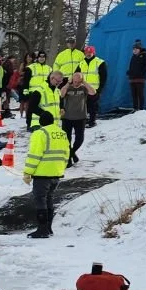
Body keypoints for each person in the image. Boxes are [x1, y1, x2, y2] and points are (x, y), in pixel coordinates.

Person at [23, 109, 69, 239]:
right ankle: (48, 228)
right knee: (49, 199)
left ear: (41, 122)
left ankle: (42, 229)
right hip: (56, 173)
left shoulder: (40, 133)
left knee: (40, 200)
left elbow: (34, 155)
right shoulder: (62, 133)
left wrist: (28, 173)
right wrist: (61, 168)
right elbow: (66, 153)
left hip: (43, 174)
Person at [59, 69, 90, 165]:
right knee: (67, 139)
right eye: (74, 81)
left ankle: (71, 153)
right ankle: (68, 159)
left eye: (78, 81)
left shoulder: (83, 88)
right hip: (67, 117)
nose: (76, 83)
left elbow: (93, 92)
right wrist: (68, 83)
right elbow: (61, 93)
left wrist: (84, 82)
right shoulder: (68, 87)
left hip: (80, 117)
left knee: (79, 139)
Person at [22, 50, 51, 129]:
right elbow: (26, 81)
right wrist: (25, 92)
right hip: (33, 92)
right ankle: (29, 124)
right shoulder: (31, 67)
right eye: (40, 57)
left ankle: (41, 123)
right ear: (37, 58)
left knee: (42, 108)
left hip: (44, 93)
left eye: (43, 57)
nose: (42, 58)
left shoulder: (49, 68)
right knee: (31, 109)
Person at [80, 45, 106, 125]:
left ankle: (92, 121)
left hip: (94, 89)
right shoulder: (81, 63)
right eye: (87, 52)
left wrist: (100, 89)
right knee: (84, 105)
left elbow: (103, 77)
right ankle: (85, 119)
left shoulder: (100, 62)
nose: (88, 54)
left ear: (93, 53)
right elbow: (77, 74)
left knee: (93, 106)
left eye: (90, 52)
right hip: (83, 88)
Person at [126, 40, 146, 112]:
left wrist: (141, 73)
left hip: (140, 78)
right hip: (132, 79)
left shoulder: (145, 55)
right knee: (134, 95)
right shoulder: (133, 57)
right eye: (133, 49)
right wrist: (129, 72)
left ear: (139, 49)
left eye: (136, 49)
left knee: (140, 94)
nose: (134, 50)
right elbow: (131, 66)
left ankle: (141, 109)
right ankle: (135, 109)